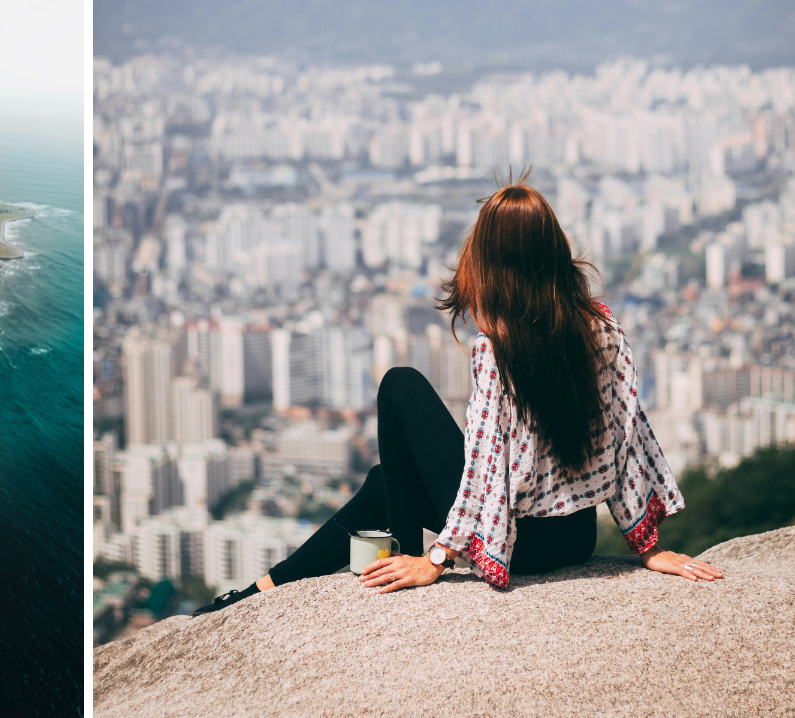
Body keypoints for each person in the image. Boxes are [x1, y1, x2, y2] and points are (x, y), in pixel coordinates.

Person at [194, 179, 722, 617]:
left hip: (522, 550)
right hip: (576, 539)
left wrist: (437, 558)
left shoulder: (496, 352)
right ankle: (261, 589)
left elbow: (486, 468)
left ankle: (388, 555)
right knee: (384, 481)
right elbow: (626, 441)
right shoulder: (603, 329)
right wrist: (647, 547)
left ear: (491, 261)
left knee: (399, 384)